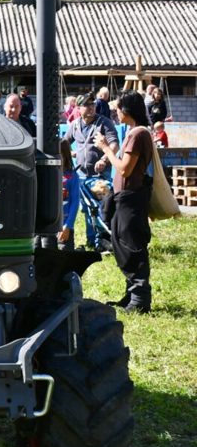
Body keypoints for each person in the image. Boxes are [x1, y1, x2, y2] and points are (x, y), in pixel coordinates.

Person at [95, 90, 154, 314]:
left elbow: (124, 169)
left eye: (118, 108)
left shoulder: (138, 134)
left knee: (132, 246)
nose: (116, 112)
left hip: (131, 199)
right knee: (122, 244)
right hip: (125, 199)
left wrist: (106, 149)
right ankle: (131, 294)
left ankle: (140, 300)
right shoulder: (134, 132)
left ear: (127, 110)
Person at [65, 92, 118, 251]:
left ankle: (104, 241)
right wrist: (70, 153)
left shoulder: (104, 123)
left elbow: (115, 145)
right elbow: (64, 143)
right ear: (78, 108)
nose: (91, 107)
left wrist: (104, 159)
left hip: (100, 176)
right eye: (87, 105)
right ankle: (91, 240)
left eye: (92, 104)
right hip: (81, 175)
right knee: (87, 209)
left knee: (101, 209)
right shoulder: (74, 125)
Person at [58, 139, 81, 250]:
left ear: (66, 156)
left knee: (65, 257)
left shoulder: (72, 176)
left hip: (65, 227)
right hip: (47, 230)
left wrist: (68, 226)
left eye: (59, 156)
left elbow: (75, 202)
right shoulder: (45, 176)